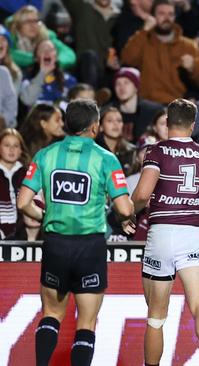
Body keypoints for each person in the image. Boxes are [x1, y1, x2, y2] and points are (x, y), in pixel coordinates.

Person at [17, 99, 134, 366]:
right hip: (90, 247)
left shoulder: (46, 155)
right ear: (95, 127)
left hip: (55, 244)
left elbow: (23, 202)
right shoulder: (106, 158)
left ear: (67, 125)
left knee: (51, 314)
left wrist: (45, 215)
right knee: (87, 322)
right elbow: (125, 208)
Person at [124, 98, 199, 366]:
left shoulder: (157, 151)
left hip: (163, 233)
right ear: (193, 125)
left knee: (156, 317)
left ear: (166, 122)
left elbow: (143, 193)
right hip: (193, 232)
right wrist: (190, 197)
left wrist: (129, 212)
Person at [120, 0, 199, 104]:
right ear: (153, 16)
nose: (166, 18)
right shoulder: (143, 41)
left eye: (170, 14)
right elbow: (126, 60)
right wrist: (144, 31)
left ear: (175, 17)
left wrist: (194, 67)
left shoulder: (188, 46)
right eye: (161, 13)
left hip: (176, 105)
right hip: (147, 105)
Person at [7, 5, 76, 70]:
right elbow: (9, 53)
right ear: (18, 25)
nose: (33, 25)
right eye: (28, 21)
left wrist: (56, 62)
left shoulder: (46, 35)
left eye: (36, 21)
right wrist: (38, 59)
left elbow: (68, 53)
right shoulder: (9, 37)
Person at [110, 67, 164, 143]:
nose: (121, 87)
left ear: (136, 87)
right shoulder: (108, 111)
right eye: (118, 83)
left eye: (126, 82)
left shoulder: (153, 111)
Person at [20, 39, 77, 107]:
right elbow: (27, 100)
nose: (46, 52)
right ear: (36, 58)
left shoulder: (69, 80)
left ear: (56, 57)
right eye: (42, 50)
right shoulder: (26, 78)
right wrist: (42, 73)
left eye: (50, 50)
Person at [0, 128, 29, 239]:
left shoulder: (28, 174)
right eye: (7, 145)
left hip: (22, 233)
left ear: (21, 149)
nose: (11, 150)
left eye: (16, 146)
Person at [95, 107, 136, 172]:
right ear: (101, 127)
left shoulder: (131, 151)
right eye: (110, 121)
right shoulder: (94, 150)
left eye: (119, 121)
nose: (116, 124)